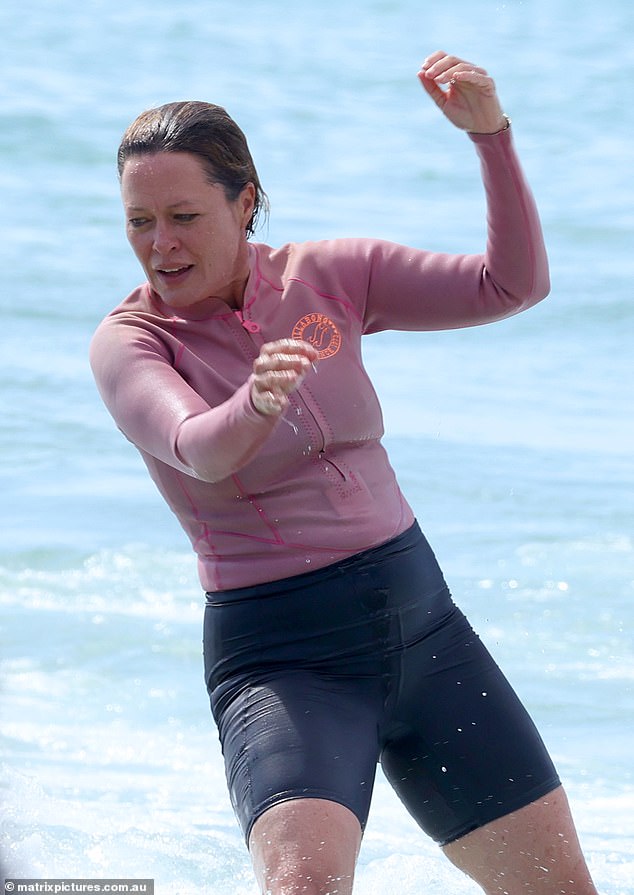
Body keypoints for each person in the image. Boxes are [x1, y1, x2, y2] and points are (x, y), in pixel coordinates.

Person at [90, 50, 598, 895]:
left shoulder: (330, 274)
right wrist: (254, 402)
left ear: (244, 200)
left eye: (182, 215)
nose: (160, 244)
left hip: (429, 633)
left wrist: (491, 140)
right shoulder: (132, 343)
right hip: (286, 658)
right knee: (306, 886)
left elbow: (512, 284)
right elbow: (198, 448)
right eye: (139, 221)